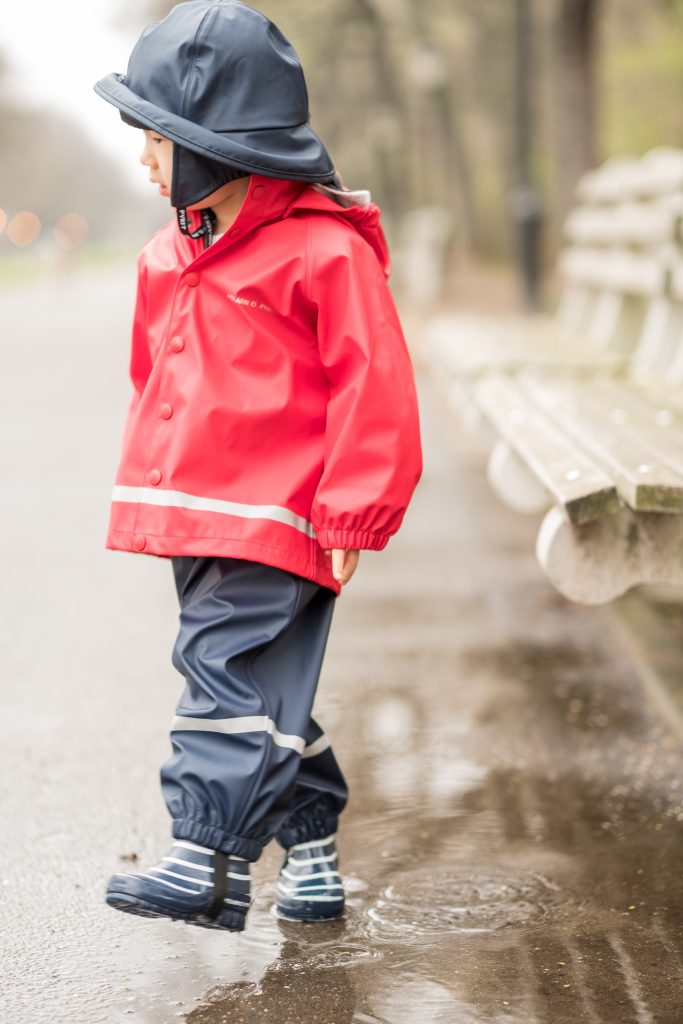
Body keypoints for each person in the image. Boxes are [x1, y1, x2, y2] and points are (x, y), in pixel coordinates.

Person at [93, 0, 422, 932]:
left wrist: (356, 509)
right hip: (199, 511)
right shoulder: (170, 252)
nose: (144, 160)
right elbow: (150, 374)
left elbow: (375, 385)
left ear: (212, 142)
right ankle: (310, 848)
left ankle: (204, 855)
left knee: (221, 671)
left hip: (283, 515)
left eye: (154, 140)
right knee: (267, 691)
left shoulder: (321, 251)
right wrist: (155, 490)